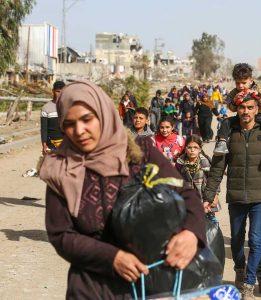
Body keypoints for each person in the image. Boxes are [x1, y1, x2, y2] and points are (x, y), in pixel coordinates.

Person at [39, 80, 206, 299]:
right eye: (69, 123)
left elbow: (186, 194)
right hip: (92, 288)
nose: (79, 130)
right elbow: (61, 234)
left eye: (87, 119)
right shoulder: (59, 168)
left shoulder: (139, 153)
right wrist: (112, 257)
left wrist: (191, 233)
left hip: (153, 285)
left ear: (103, 114)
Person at [203, 96, 261, 299]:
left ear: (257, 109)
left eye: (250, 108)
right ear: (237, 109)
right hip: (236, 196)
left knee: (256, 240)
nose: (246, 112)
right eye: (242, 107)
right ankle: (240, 268)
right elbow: (217, 168)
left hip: (260, 195)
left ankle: (250, 283)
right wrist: (209, 195)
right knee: (236, 240)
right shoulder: (228, 133)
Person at [213, 63, 261, 161]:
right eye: (238, 83)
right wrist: (235, 100)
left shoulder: (259, 88)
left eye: (244, 82)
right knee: (225, 122)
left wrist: (257, 95)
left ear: (250, 79)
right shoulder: (234, 92)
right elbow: (231, 108)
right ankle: (222, 143)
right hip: (241, 116)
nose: (241, 86)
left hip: (257, 115)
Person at [41, 80, 65, 154]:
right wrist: (44, 144)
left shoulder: (68, 106)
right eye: (58, 91)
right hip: (51, 143)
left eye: (62, 92)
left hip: (65, 143)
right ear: (53, 91)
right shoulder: (46, 108)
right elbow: (44, 128)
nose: (60, 94)